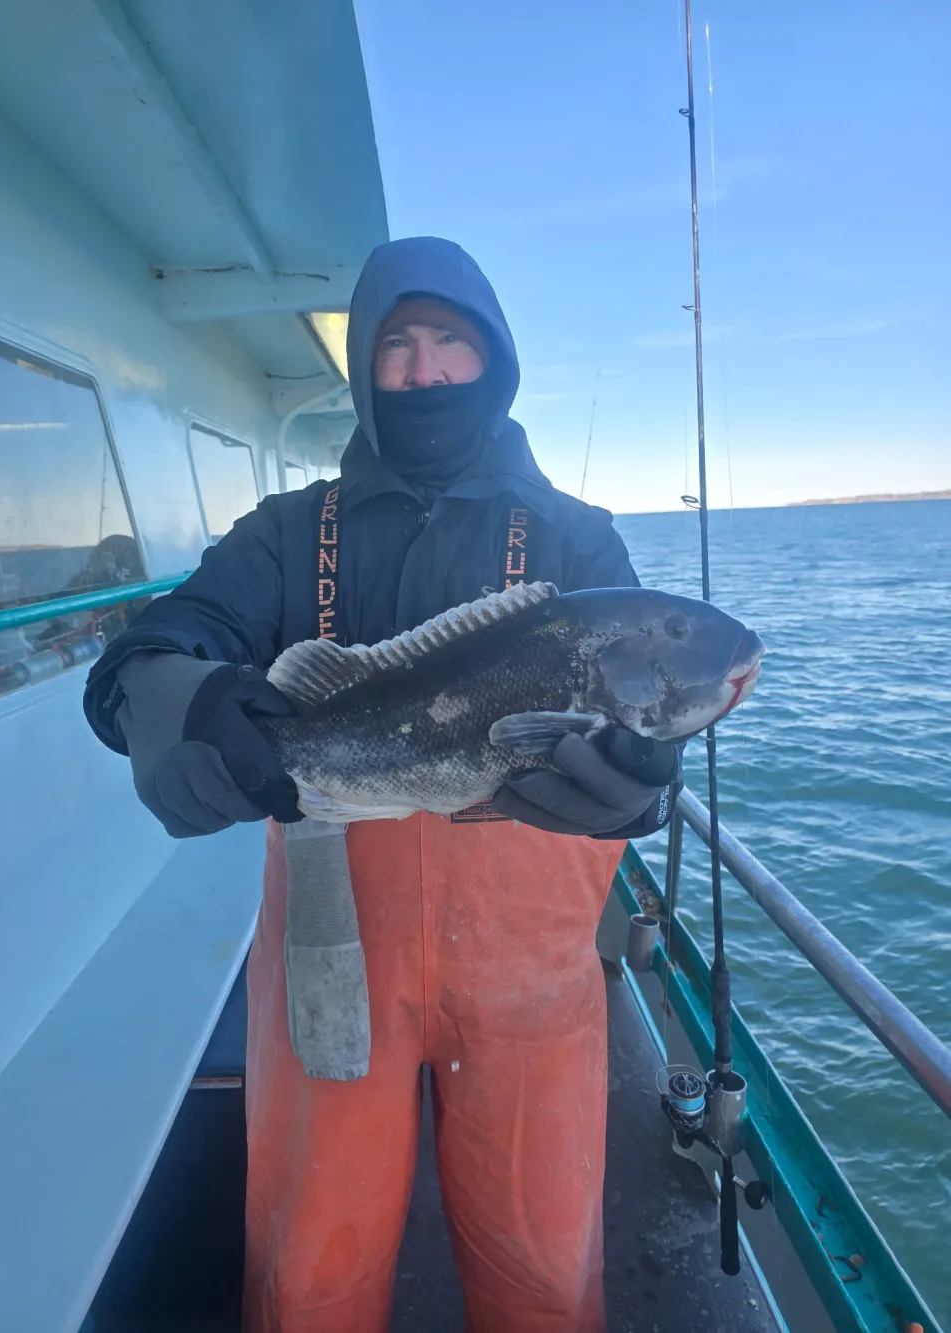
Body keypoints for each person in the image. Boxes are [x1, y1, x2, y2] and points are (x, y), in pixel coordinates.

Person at [83, 237, 682, 1333]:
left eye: (450, 343)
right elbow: (148, 654)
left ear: (493, 362)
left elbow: (636, 715)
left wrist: (638, 782)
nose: (424, 370)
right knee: (313, 1263)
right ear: (363, 369)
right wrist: (198, 708)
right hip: (330, 940)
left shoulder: (574, 536)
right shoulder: (283, 532)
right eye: (396, 347)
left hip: (531, 973)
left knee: (544, 1265)